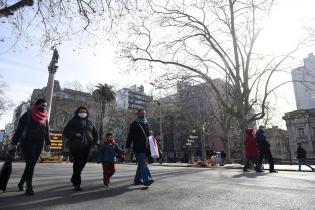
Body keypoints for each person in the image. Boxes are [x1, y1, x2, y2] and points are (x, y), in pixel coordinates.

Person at [8, 99, 50, 195]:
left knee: (31, 165)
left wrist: (48, 143)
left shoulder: (45, 117)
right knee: (30, 164)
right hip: (27, 143)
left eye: (45, 106)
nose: (43, 107)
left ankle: (21, 183)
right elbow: (19, 130)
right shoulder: (27, 115)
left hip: (39, 144)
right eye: (42, 105)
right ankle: (29, 187)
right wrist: (13, 143)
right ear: (36, 105)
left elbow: (47, 131)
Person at [62, 106, 98, 191]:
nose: (83, 112)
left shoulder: (90, 122)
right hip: (76, 146)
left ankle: (74, 177)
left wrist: (95, 143)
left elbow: (95, 134)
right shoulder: (73, 121)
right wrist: (74, 134)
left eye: (84, 111)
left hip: (87, 146)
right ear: (78, 112)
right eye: (81, 111)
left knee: (83, 163)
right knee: (78, 164)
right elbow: (65, 132)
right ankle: (77, 183)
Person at [125, 109, 154, 186]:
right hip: (138, 147)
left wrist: (150, 133)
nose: (143, 115)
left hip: (145, 148)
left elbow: (147, 134)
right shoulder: (134, 124)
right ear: (138, 114)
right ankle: (147, 179)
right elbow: (130, 136)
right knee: (143, 164)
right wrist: (127, 147)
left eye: (144, 113)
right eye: (141, 113)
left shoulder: (146, 123)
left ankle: (137, 180)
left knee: (141, 164)